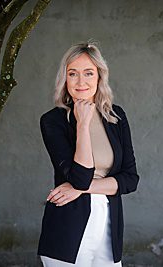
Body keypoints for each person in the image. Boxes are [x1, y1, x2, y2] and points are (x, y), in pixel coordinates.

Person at [37, 41, 140, 266]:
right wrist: (82, 124)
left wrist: (80, 189)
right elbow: (80, 177)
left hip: (109, 228)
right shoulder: (53, 121)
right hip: (67, 230)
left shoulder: (116, 117)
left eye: (88, 73)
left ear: (99, 77)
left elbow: (131, 179)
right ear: (64, 79)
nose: (81, 81)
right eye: (73, 73)